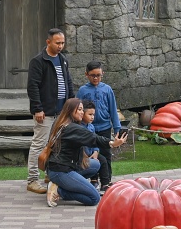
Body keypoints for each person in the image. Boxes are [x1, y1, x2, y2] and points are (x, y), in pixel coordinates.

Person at [44, 98, 128, 207]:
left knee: (95, 164)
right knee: (94, 197)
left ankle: (66, 184)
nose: (82, 112)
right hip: (61, 170)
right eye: (79, 109)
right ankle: (59, 190)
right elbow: (93, 138)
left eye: (82, 110)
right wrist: (112, 143)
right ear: (70, 110)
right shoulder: (72, 128)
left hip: (58, 166)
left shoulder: (60, 121)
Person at [26, 28, 74, 194]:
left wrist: (72, 107)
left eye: (62, 42)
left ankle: (49, 175)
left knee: (55, 145)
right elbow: (32, 86)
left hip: (61, 112)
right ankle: (32, 180)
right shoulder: (38, 61)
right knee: (39, 145)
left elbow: (68, 83)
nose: (60, 46)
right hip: (45, 113)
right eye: (57, 43)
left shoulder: (63, 60)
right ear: (48, 42)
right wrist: (38, 108)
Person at [75, 61, 123, 192]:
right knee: (90, 152)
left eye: (98, 75)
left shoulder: (107, 89)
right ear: (86, 74)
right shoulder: (82, 90)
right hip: (88, 129)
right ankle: (94, 179)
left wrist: (117, 127)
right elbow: (77, 109)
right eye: (92, 75)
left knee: (106, 154)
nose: (95, 78)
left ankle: (106, 181)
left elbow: (113, 109)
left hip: (105, 127)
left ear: (103, 74)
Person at [78, 99, 101, 186]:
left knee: (102, 161)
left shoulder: (91, 127)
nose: (92, 117)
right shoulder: (78, 127)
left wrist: (96, 151)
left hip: (91, 152)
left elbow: (95, 141)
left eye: (93, 115)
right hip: (82, 155)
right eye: (90, 114)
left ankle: (103, 183)